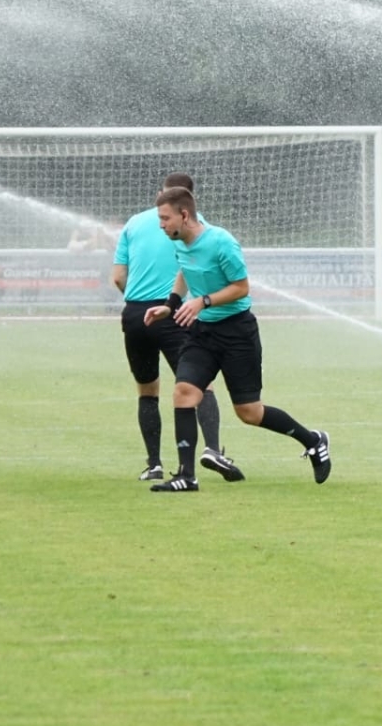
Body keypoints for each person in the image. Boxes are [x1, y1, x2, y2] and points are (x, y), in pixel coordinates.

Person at [142, 187, 329, 492]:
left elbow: (241, 287)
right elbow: (185, 272)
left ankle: (313, 441)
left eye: (165, 218)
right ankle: (186, 476)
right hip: (203, 333)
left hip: (237, 333)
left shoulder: (221, 242)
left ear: (184, 215)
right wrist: (170, 305)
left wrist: (203, 301)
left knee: (249, 412)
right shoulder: (179, 242)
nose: (161, 225)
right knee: (184, 393)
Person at [112, 173, 231, 484]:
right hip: (173, 312)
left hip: (136, 314)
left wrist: (137, 303)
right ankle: (213, 450)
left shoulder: (133, 223)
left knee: (147, 390)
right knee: (201, 384)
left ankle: (153, 464)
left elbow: (118, 277)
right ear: (189, 202)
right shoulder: (195, 224)